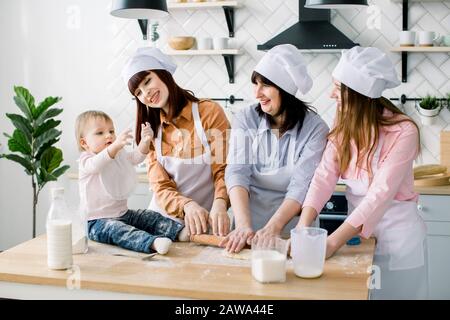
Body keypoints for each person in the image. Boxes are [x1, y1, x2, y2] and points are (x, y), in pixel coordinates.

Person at [297, 46, 427, 299]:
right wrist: (303, 227)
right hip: (359, 239)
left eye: (338, 88)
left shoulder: (403, 131)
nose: (331, 94)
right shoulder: (344, 125)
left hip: (397, 241)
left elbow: (380, 194)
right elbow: (324, 176)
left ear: (358, 94)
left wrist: (334, 241)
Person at [221, 44, 329, 253]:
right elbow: (237, 171)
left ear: (285, 89)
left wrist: (274, 228)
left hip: (290, 230)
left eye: (265, 85)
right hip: (246, 228)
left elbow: (301, 186)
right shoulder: (245, 118)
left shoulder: (315, 129)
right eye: (255, 84)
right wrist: (244, 225)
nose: (257, 93)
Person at [122, 47, 231, 237]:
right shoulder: (152, 132)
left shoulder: (209, 113)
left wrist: (220, 202)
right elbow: (161, 187)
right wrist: (187, 205)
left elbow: (225, 169)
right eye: (138, 93)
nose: (146, 93)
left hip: (205, 224)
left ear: (163, 74)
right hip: (161, 225)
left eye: (148, 81)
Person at [76, 110, 189, 254]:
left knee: (148, 216)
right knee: (119, 230)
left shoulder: (117, 155)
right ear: (84, 143)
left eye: (111, 131)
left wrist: (145, 141)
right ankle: (152, 242)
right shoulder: (86, 160)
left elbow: (136, 158)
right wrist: (115, 146)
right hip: (97, 223)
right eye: (100, 133)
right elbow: (97, 164)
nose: (109, 135)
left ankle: (179, 232)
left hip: (124, 214)